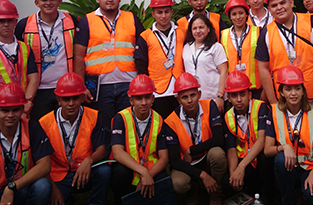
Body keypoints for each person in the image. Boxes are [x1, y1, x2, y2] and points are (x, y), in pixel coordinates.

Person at [254, 0, 313, 204]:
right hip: (285, 101)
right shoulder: (267, 32)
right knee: (286, 142)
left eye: (283, 2)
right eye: (273, 5)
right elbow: (263, 68)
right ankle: (290, 184)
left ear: (292, 2)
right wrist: (275, 103)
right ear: (269, 8)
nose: (279, 8)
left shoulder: (311, 23)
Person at [73, 0, 145, 133]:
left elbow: (144, 50)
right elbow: (78, 56)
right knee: (103, 129)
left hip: (128, 84)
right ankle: (107, 158)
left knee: (128, 128)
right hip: (99, 87)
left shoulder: (132, 18)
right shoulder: (87, 21)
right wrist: (81, 86)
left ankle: (124, 158)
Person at [0, 83, 53, 205]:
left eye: (15, 110)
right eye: (5, 111)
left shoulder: (32, 128)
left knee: (42, 186)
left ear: (22, 109)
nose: (10, 115)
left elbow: (45, 165)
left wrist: (12, 187)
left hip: (21, 186)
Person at [38, 72, 110, 205]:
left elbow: (102, 150)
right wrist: (54, 189)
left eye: (75, 98)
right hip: (58, 176)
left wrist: (89, 161)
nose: (71, 103)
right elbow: (40, 162)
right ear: (58, 100)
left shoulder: (94, 116)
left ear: (82, 98)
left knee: (104, 170)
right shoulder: (44, 123)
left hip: (84, 172)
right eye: (66, 99)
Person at [264, 66, 313, 205]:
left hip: (310, 167)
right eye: (288, 89)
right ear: (281, 92)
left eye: (298, 88)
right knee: (280, 159)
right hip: (288, 168)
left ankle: (306, 195)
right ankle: (288, 200)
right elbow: (267, 150)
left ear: (303, 91)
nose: (293, 93)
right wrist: (284, 147)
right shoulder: (274, 112)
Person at [16, 0, 78, 120]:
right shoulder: (24, 25)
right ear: (36, 2)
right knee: (42, 130)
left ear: (59, 1)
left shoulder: (72, 21)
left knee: (65, 129)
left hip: (66, 88)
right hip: (39, 90)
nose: (48, 2)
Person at [0, 0, 40, 133]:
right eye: (1, 21)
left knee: (22, 151)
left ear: (16, 22)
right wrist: (18, 104)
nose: (6, 24)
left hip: (20, 112)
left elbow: (34, 78)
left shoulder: (25, 48)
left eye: (10, 20)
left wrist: (25, 104)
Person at [164, 73, 226, 205]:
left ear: (199, 94)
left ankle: (216, 192)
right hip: (186, 163)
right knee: (178, 183)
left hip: (206, 156)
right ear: (178, 100)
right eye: (184, 97)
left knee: (218, 154)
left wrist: (192, 150)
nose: (190, 100)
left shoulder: (210, 105)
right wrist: (202, 175)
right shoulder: (170, 121)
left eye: (192, 95)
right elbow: (174, 160)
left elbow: (219, 139)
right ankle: (193, 188)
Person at [110, 75, 171, 205]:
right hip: (129, 166)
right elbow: (117, 152)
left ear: (153, 98)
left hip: (151, 167)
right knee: (119, 173)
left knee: (164, 180)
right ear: (131, 100)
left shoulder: (158, 119)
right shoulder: (120, 118)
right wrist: (143, 172)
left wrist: (149, 174)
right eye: (138, 98)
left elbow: (164, 157)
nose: (143, 102)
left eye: (147, 97)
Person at [223, 71, 274, 204]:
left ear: (249, 94)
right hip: (245, 158)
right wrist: (234, 173)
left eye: (242, 94)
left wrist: (241, 168)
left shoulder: (261, 107)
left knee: (264, 158)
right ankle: (248, 191)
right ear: (228, 97)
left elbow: (262, 140)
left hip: (259, 155)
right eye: (234, 95)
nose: (239, 99)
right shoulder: (228, 117)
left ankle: (267, 197)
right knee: (227, 182)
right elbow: (231, 148)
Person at [135, 0, 185, 118]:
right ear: (153, 14)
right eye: (159, 12)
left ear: (172, 12)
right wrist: (147, 92)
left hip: (180, 89)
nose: (163, 16)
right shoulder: (145, 36)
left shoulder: (182, 32)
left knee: (180, 127)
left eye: (166, 11)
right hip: (158, 92)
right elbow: (141, 65)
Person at [181, 14, 228, 112]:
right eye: (194, 28)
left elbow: (224, 72)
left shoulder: (216, 47)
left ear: (209, 29)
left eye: (201, 27)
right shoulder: (186, 48)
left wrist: (220, 96)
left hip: (214, 98)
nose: (198, 31)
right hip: (194, 101)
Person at [220, 0, 263, 100]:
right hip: (233, 89)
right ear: (229, 17)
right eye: (234, 14)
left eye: (241, 13)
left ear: (247, 14)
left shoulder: (258, 31)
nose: (238, 17)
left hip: (254, 89)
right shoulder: (223, 35)